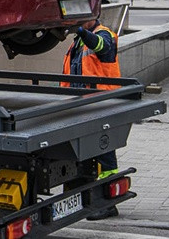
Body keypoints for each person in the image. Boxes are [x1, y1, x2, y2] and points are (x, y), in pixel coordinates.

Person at [61, 17, 121, 220]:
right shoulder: (76, 43)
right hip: (81, 107)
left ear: (93, 17)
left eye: (83, 19)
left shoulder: (105, 34)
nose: (80, 22)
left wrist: (80, 31)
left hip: (101, 105)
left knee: (104, 154)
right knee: (84, 153)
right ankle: (84, 200)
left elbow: (102, 47)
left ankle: (108, 204)